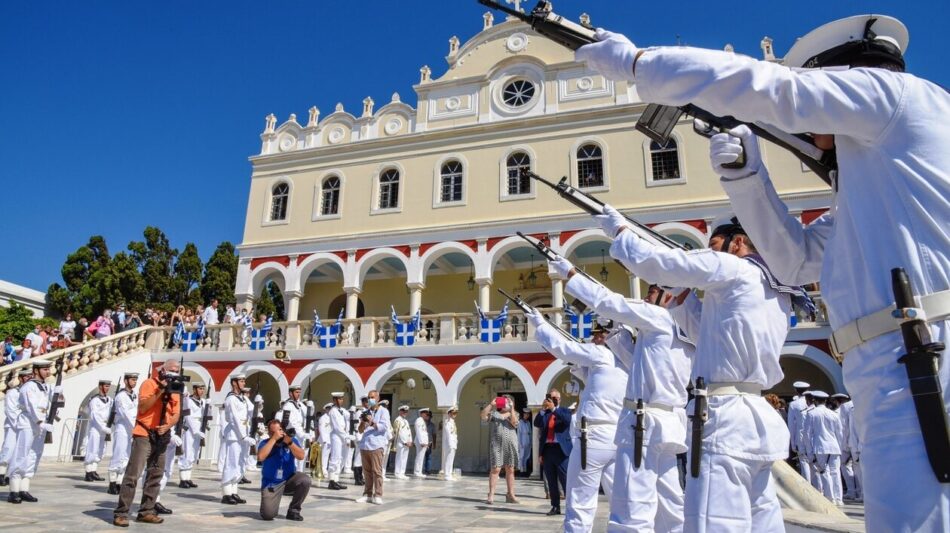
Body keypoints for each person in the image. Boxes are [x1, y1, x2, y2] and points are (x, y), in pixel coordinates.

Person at [577, 15, 950, 531]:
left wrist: (638, 64)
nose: (811, 137)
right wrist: (747, 177)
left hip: (920, 359)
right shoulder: (869, 187)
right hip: (890, 368)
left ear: (841, 81)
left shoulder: (898, 97)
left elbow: (775, 90)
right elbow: (793, 259)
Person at [592, 208, 797, 530]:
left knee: (713, 522)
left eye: (715, 244)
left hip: (725, 414)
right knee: (762, 520)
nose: (710, 251)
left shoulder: (733, 267)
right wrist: (682, 301)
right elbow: (710, 335)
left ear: (738, 242)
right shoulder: (772, 288)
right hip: (755, 416)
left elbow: (659, 264)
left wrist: (619, 230)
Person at [554, 254, 694, 532]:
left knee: (631, 505)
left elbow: (610, 302)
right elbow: (633, 359)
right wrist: (615, 332)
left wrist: (571, 274)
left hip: (645, 424)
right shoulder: (685, 329)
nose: (646, 296)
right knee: (669, 504)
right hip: (669, 425)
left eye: (653, 291)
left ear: (669, 295)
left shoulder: (658, 318)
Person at [527, 308, 628, 533]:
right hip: (617, 437)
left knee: (580, 503)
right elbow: (598, 384)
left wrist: (541, 325)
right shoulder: (628, 363)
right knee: (621, 501)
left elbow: (565, 348)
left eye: (599, 334)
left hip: (592, 437)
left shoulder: (602, 354)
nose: (594, 338)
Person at [112, 359, 182, 527]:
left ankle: (147, 510)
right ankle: (121, 512)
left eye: (177, 370)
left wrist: (168, 425)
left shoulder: (177, 388)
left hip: (162, 434)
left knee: (156, 473)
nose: (175, 372)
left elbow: (176, 412)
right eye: (172, 369)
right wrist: (161, 390)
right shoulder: (149, 384)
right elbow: (143, 407)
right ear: (163, 370)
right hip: (144, 432)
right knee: (133, 473)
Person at [7, 360, 57, 504]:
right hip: (29, 423)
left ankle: (24, 489)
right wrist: (41, 422)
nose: (48, 371)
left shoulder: (45, 387)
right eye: (45, 369)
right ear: (36, 370)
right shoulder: (29, 386)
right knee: (21, 454)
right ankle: (14, 491)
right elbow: (31, 406)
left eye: (48, 369)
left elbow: (46, 405)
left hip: (40, 425)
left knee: (34, 455)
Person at [258, 418, 310, 521]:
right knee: (268, 515)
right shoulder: (265, 442)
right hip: (272, 483)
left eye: (280, 430)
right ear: (269, 433)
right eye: (275, 432)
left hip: (289, 479)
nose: (279, 433)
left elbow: (301, 456)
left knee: (305, 480)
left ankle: (293, 511)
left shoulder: (290, 440)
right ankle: (269, 503)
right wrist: (273, 439)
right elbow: (260, 457)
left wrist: (290, 443)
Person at [534, 390, 572, 515]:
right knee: (551, 481)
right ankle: (555, 506)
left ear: (559, 399)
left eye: (555, 398)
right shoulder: (546, 413)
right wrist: (543, 410)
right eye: (551, 397)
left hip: (561, 450)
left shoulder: (564, 411)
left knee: (565, 479)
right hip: (548, 450)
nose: (553, 399)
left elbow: (566, 420)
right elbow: (537, 423)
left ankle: (571, 507)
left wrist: (554, 409)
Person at [220, 375, 255, 505]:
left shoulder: (243, 399)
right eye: (241, 381)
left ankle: (234, 492)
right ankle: (226, 494)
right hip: (235, 436)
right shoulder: (231, 399)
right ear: (234, 383)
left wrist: (257, 402)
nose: (243, 383)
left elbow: (253, 411)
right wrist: (243, 436)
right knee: (231, 463)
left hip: (243, 435)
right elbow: (234, 419)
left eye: (244, 380)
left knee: (240, 463)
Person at [806, 391, 844, 505]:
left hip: (820, 447)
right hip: (834, 447)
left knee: (824, 472)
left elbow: (807, 435)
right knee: (835, 472)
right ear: (826, 400)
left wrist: (810, 452)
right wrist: (839, 447)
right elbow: (840, 433)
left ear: (815, 400)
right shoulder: (833, 414)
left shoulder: (811, 414)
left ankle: (830, 498)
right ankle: (839, 498)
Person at [482, 395, 520, 505]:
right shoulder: (494, 414)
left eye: (508, 402)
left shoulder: (515, 413)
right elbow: (483, 416)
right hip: (497, 445)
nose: (506, 403)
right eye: (505, 401)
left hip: (510, 445)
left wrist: (512, 409)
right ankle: (491, 494)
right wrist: (491, 404)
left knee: (510, 469)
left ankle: (510, 494)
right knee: (496, 469)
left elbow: (515, 423)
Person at [356, 389, 390, 504]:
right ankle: (367, 494)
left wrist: (371, 422)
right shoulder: (366, 412)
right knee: (366, 472)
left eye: (372, 397)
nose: (370, 400)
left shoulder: (383, 411)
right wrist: (362, 422)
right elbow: (360, 430)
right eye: (369, 397)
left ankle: (378, 494)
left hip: (376, 444)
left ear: (378, 398)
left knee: (377, 471)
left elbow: (384, 427)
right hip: (365, 444)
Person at [108, 372, 139, 495]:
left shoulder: (135, 395)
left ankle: (120, 482)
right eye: (132, 379)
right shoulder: (121, 396)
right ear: (125, 381)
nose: (134, 382)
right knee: (118, 454)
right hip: (122, 428)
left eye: (135, 380)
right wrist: (136, 427)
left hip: (131, 429)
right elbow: (126, 414)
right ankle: (112, 483)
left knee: (127, 456)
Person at [0, 370, 31, 487]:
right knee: (8, 449)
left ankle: (10, 475)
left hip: (25, 426)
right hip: (13, 425)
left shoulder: (29, 392)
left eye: (30, 376)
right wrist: (18, 423)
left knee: (18, 452)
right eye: (27, 376)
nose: (29, 378)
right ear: (21, 378)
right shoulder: (13, 392)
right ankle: (1, 474)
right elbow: (10, 410)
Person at [178, 382, 207, 489]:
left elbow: (205, 416)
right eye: (200, 388)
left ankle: (188, 478)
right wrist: (195, 430)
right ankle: (183, 480)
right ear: (194, 389)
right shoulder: (189, 401)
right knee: (187, 453)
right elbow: (188, 416)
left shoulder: (203, 402)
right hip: (190, 430)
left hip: (198, 429)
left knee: (194, 453)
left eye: (203, 389)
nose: (202, 391)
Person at [83, 379, 113, 482]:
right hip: (96, 427)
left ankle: (94, 470)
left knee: (101, 450)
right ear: (100, 387)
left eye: (108, 386)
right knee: (92, 449)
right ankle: (88, 472)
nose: (107, 388)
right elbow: (94, 415)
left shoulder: (109, 400)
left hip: (105, 427)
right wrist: (102, 427)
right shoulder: (94, 400)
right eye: (105, 386)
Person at [786, 381, 812, 483]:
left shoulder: (794, 404)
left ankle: (808, 485)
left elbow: (791, 425)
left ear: (796, 390)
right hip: (813, 436)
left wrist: (792, 443)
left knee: (804, 462)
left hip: (800, 437)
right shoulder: (811, 402)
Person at [326, 392, 352, 490]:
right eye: (339, 399)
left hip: (342, 436)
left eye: (342, 399)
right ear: (334, 400)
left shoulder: (341, 410)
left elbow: (349, 416)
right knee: (335, 458)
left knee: (341, 458)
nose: (341, 400)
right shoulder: (333, 411)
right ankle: (331, 481)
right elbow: (337, 427)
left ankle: (336, 479)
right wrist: (346, 436)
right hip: (336, 436)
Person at [280, 386, 307, 471]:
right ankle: (293, 474)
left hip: (300, 433)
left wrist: (311, 407)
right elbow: (291, 422)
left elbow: (307, 413)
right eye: (296, 392)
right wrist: (301, 433)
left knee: (302, 455)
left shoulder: (298, 404)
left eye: (299, 392)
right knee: (294, 455)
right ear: (290, 393)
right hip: (293, 433)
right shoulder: (288, 405)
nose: (299, 394)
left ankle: (300, 472)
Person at [392, 405, 412, 480]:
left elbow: (408, 431)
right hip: (400, 442)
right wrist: (405, 442)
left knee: (404, 458)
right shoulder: (398, 420)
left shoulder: (405, 421)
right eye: (403, 411)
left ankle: (402, 472)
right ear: (400, 411)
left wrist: (410, 441)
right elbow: (398, 432)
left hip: (407, 442)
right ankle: (397, 473)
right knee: (399, 458)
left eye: (406, 412)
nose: (405, 413)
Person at [441, 406, 459, 481]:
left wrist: (455, 443)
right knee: (448, 459)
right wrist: (451, 444)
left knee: (451, 459)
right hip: (449, 444)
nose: (454, 415)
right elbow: (449, 434)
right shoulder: (447, 422)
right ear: (449, 413)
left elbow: (454, 434)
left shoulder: (452, 422)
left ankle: (449, 474)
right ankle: (447, 475)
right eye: (453, 413)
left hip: (453, 443)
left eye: (455, 413)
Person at [412, 408, 431, 478]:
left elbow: (424, 433)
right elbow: (419, 432)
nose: (427, 415)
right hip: (421, 442)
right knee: (419, 457)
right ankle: (417, 472)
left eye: (427, 414)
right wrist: (421, 442)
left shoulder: (422, 421)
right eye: (426, 414)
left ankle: (419, 471)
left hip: (423, 442)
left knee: (421, 457)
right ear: (422, 413)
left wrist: (426, 442)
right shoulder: (419, 420)